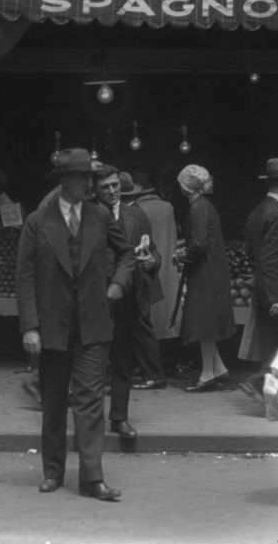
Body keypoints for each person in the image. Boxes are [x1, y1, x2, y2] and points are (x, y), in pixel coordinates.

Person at [17, 148, 134, 502]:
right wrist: (30, 326)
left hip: (92, 325)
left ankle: (92, 478)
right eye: (84, 178)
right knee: (53, 402)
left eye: (91, 178)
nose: (90, 184)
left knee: (90, 402)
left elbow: (127, 253)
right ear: (65, 182)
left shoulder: (100, 216)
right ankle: (52, 472)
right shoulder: (38, 221)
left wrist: (119, 283)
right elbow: (25, 276)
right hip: (52, 327)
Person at [94, 166, 161, 439]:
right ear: (95, 190)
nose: (112, 191)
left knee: (123, 358)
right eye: (105, 187)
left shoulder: (136, 215)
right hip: (96, 295)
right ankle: (91, 417)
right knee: (93, 358)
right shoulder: (89, 216)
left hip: (129, 296)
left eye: (115, 185)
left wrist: (152, 261)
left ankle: (119, 417)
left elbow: (151, 249)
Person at [238, 157, 278, 400]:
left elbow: (251, 251)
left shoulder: (258, 212)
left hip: (267, 285)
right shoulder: (277, 214)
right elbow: (269, 256)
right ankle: (262, 382)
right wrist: (276, 295)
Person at [176, 165, 235, 392]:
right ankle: (217, 368)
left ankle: (207, 374)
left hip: (205, 272)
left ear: (185, 187)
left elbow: (199, 243)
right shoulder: (205, 205)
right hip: (213, 269)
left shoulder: (197, 208)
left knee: (204, 323)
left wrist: (182, 256)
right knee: (207, 321)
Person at [126, 172, 174, 388]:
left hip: (137, 279)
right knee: (137, 327)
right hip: (141, 277)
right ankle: (142, 370)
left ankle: (154, 373)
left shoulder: (135, 215)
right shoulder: (139, 212)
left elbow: (145, 248)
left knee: (141, 327)